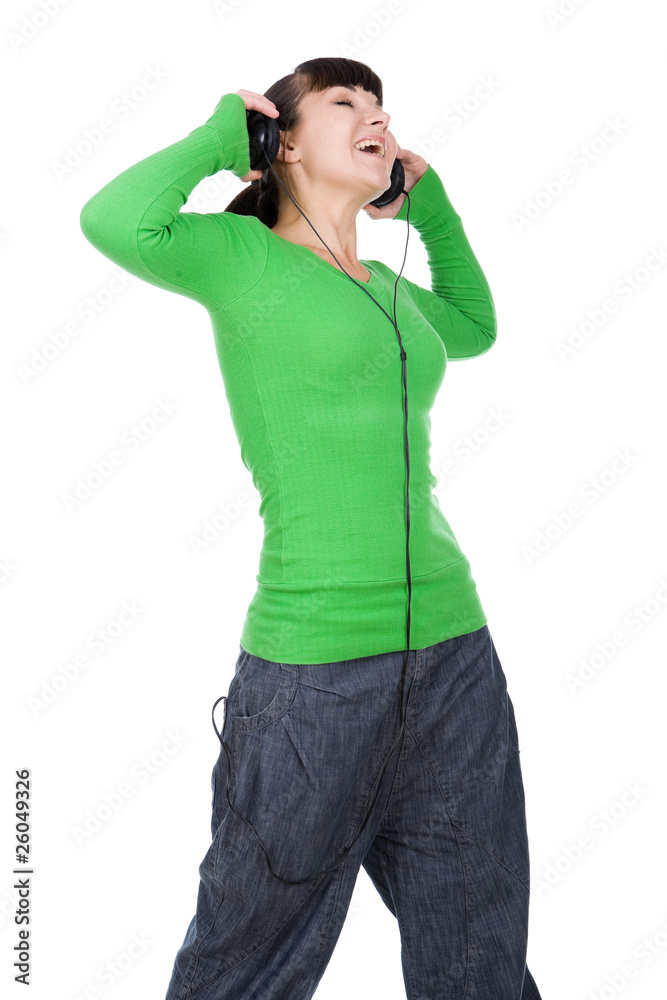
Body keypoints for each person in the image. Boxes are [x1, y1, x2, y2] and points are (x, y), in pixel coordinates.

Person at [80, 56, 543, 1000]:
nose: (377, 118)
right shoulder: (239, 258)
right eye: (345, 103)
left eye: (382, 108)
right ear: (282, 142)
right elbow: (113, 219)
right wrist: (222, 139)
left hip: (454, 659)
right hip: (316, 679)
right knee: (246, 965)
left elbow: (473, 326)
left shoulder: (383, 287)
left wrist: (432, 208)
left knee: (478, 954)